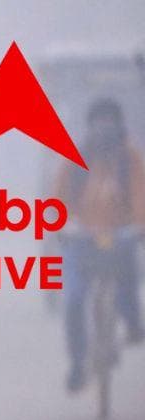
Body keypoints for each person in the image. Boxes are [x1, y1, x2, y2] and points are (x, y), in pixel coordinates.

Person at [54, 97, 145, 392]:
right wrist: (62, 225)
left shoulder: (129, 159)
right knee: (74, 300)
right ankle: (78, 365)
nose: (104, 127)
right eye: (99, 120)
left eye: (110, 120)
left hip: (119, 235)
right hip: (82, 238)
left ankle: (132, 324)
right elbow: (57, 199)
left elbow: (140, 195)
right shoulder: (74, 159)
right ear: (90, 126)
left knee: (126, 282)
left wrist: (139, 225)